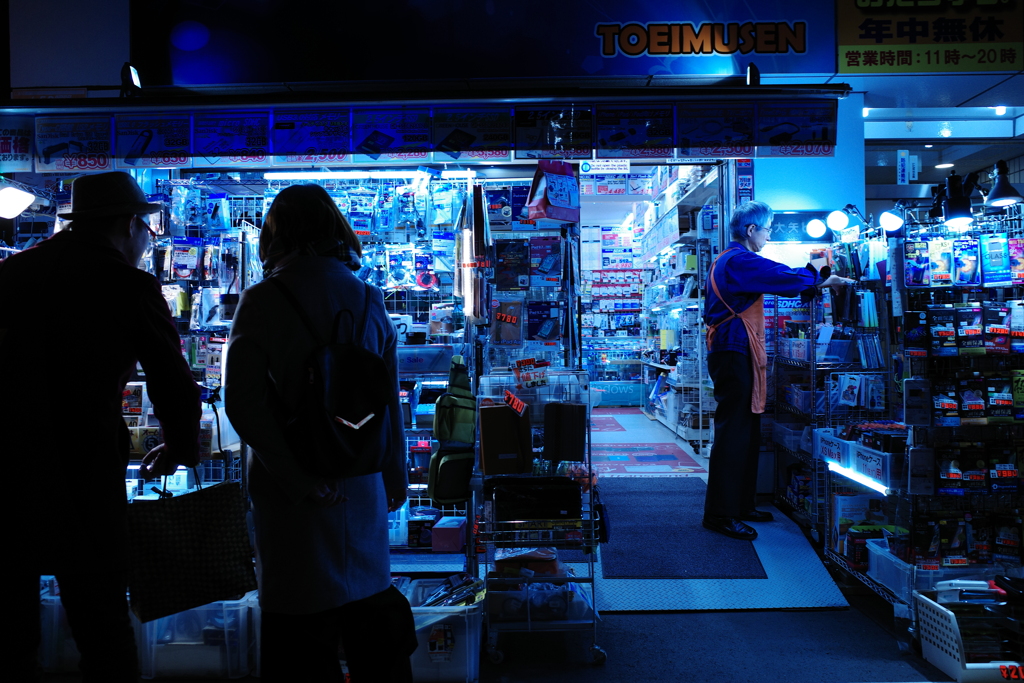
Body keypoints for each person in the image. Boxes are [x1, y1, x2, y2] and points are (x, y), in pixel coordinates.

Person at [1, 171, 202, 682]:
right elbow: (171, 378)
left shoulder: (12, 275)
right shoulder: (128, 285)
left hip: (8, 469)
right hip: (85, 469)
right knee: (102, 622)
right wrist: (180, 446)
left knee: (9, 632)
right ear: (131, 224)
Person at [224, 184, 415, 682]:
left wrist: (298, 481)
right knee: (374, 633)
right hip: (362, 484)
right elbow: (389, 401)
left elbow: (242, 403)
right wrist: (394, 478)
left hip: (295, 499)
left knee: (301, 647)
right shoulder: (369, 298)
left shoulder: (262, 301)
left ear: (275, 234)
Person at [702, 201, 853, 541]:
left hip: (736, 350)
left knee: (747, 428)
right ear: (751, 230)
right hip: (733, 350)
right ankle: (720, 514)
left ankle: (740, 504)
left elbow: (780, 277)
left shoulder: (729, 260)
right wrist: (822, 277)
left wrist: (814, 280)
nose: (769, 236)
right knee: (734, 431)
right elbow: (780, 276)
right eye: (768, 229)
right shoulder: (739, 260)